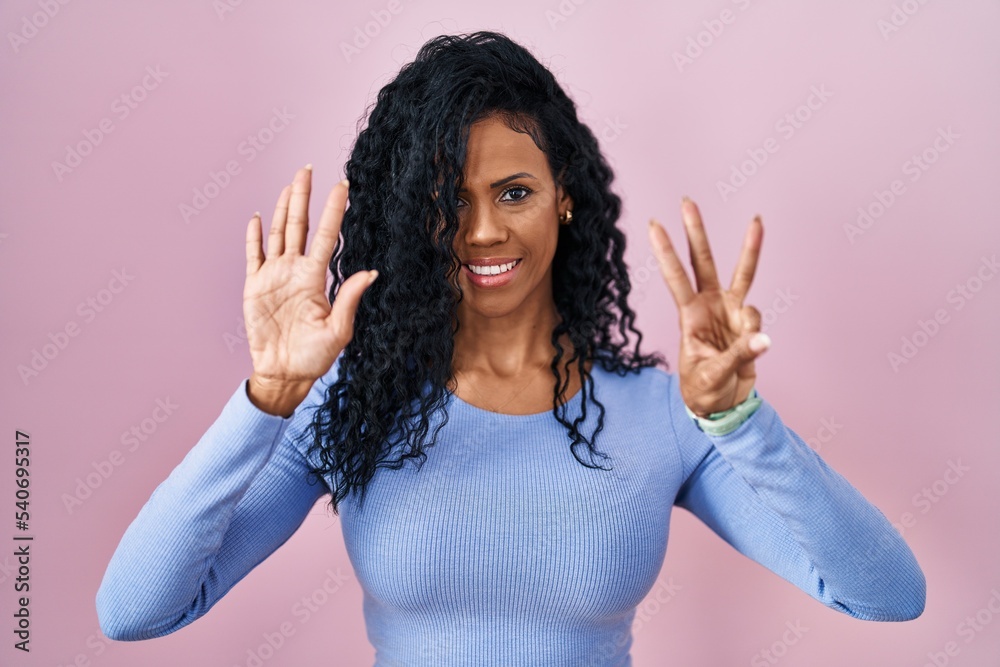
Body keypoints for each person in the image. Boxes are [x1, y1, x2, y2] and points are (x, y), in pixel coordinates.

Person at [96, 31, 925, 665]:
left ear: (565, 197)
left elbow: (886, 594)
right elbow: (137, 609)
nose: (483, 229)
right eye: (448, 199)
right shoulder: (349, 403)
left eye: (515, 191)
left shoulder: (660, 416)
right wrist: (267, 396)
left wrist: (740, 420)